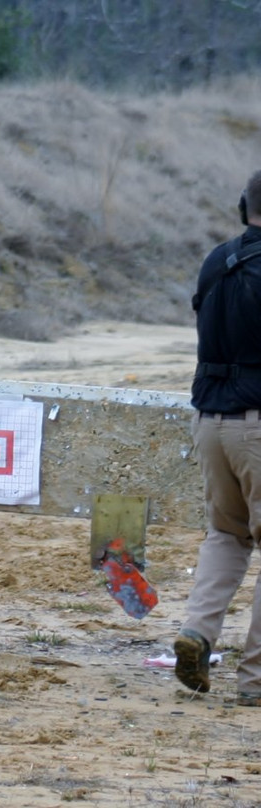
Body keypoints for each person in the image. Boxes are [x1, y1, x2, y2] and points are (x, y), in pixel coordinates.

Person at [174, 169, 261, 706]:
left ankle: (199, 633)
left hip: (210, 421)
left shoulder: (215, 260)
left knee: (227, 535)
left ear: (242, 206)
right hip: (258, 423)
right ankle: (255, 680)